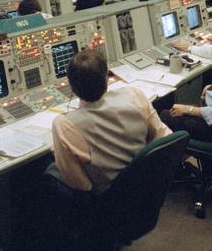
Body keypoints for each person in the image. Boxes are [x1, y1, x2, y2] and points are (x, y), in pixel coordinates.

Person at [48, 50, 171, 196]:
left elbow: (81, 185)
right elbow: (164, 136)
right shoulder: (134, 95)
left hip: (109, 199)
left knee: (50, 170)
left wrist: (60, 151)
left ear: (71, 85)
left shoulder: (64, 124)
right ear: (106, 76)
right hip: (145, 185)